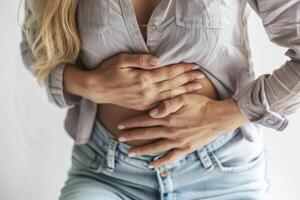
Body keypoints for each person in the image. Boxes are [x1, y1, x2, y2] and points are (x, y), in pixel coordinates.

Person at [20, 0, 300, 199]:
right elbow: (35, 48)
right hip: (108, 173)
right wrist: (90, 84)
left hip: (221, 173)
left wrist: (226, 115)